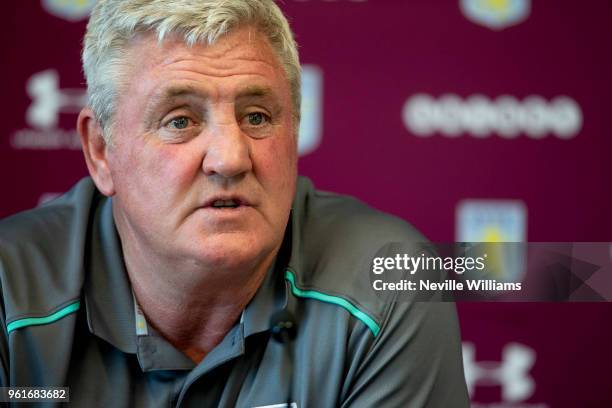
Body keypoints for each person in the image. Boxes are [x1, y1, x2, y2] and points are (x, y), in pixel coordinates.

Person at [0, 0, 469, 406]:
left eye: (257, 116)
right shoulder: (10, 291)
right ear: (102, 152)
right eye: (180, 121)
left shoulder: (390, 281)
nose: (230, 157)